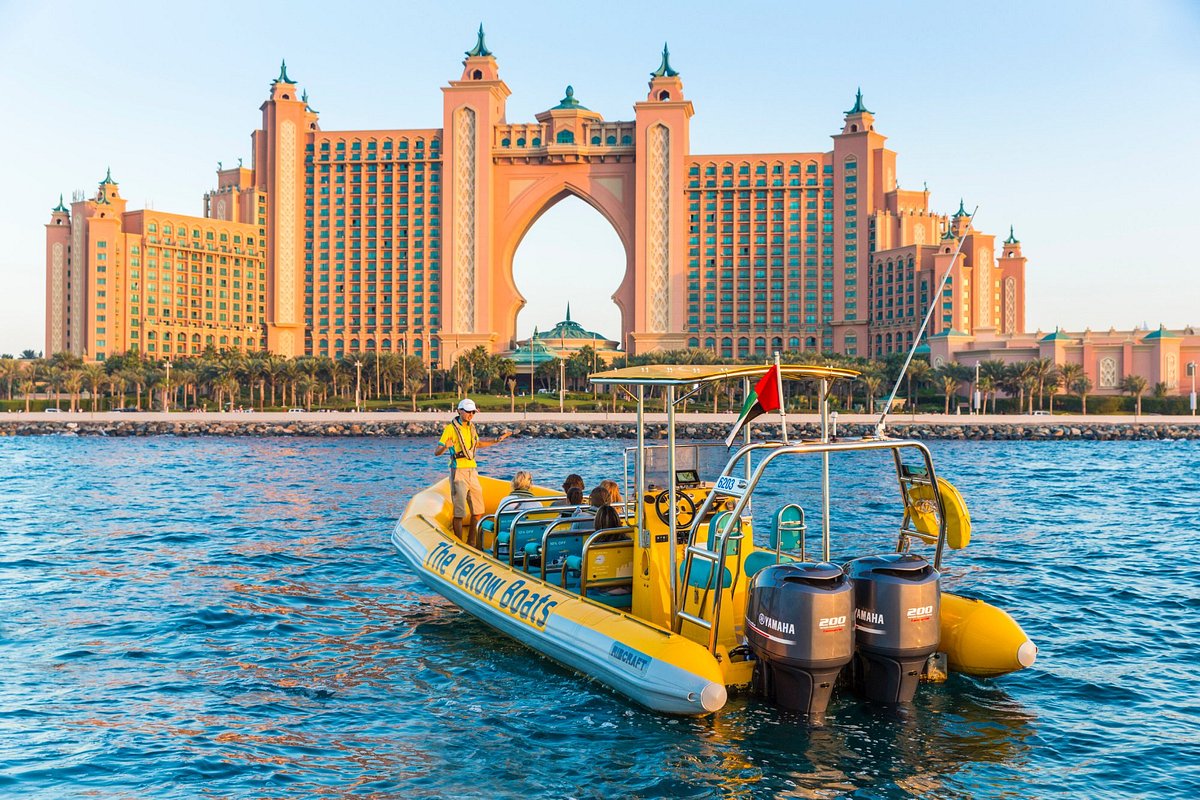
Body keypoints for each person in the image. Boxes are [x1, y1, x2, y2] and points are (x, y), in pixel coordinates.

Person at [433, 398, 512, 549]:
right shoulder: (450, 429)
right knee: (459, 512)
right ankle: (458, 543)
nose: (470, 414)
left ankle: (472, 542)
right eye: (468, 411)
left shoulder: (472, 428)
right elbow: (437, 451)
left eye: (473, 412)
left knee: (478, 511)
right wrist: (445, 447)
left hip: (472, 471)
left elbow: (478, 444)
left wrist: (496, 441)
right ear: (459, 411)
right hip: (458, 471)